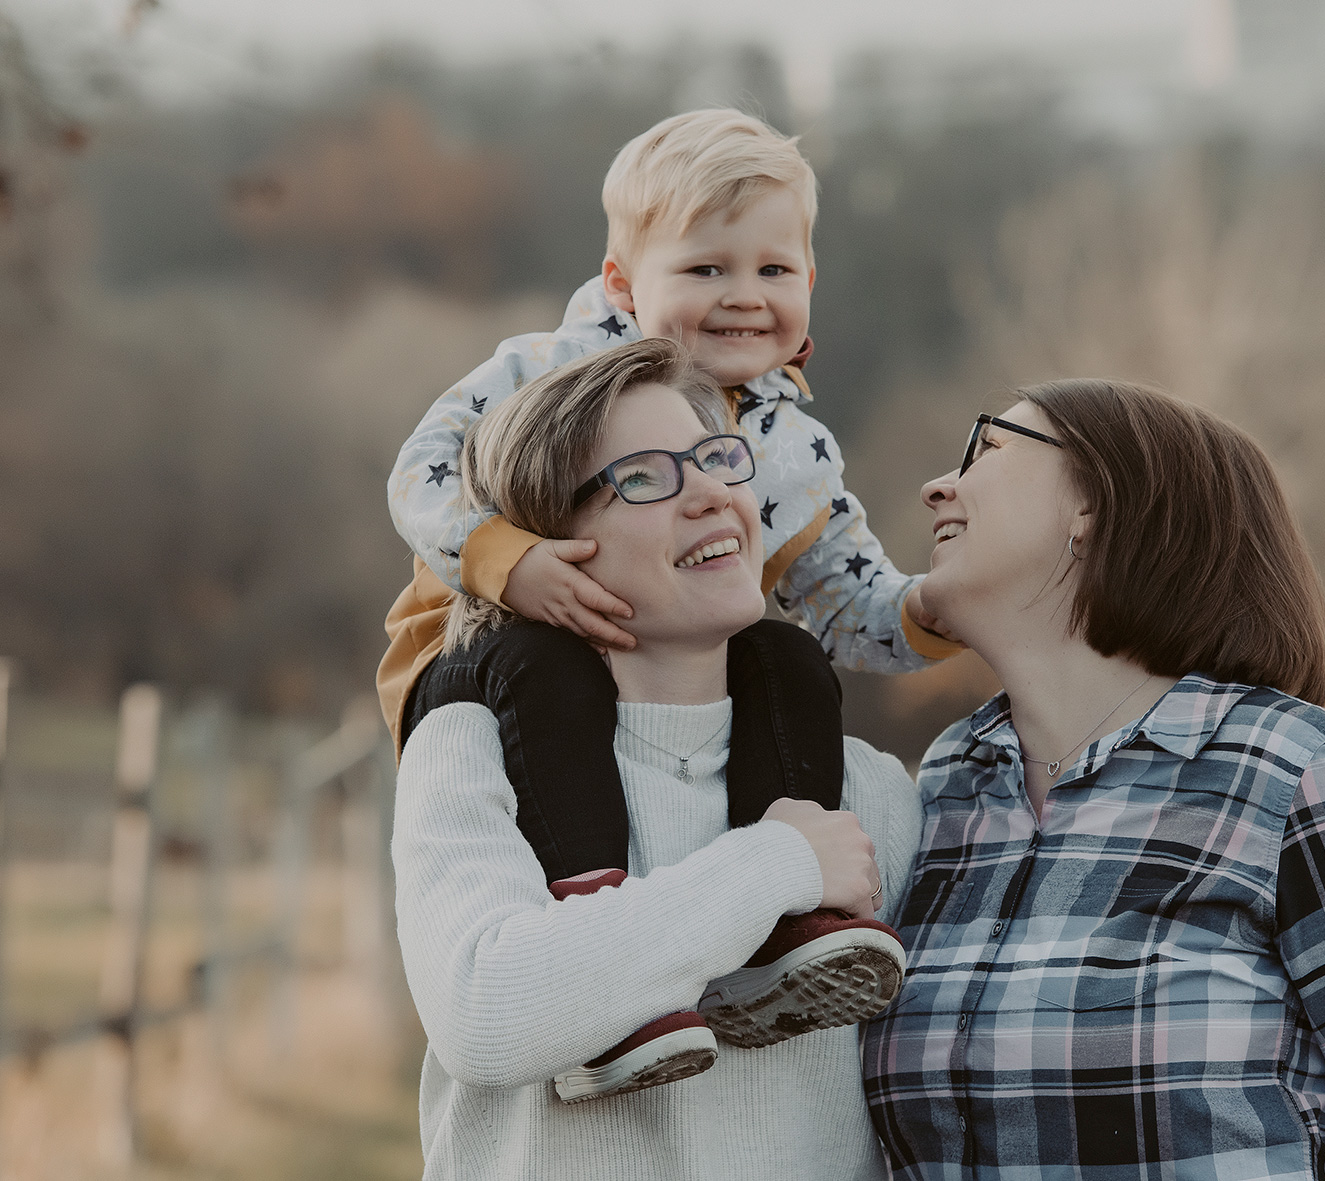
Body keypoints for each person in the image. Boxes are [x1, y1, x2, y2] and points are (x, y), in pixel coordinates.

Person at [383, 108, 958, 1096]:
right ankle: (601, 945)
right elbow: (420, 472)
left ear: (808, 284)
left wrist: (958, 605)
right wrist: (507, 560)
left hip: (675, 677)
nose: (743, 296)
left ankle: (790, 925)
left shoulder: (784, 442)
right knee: (546, 666)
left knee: (786, 659)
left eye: (773, 271)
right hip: (482, 644)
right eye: (705, 270)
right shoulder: (544, 376)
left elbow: (847, 599)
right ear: (620, 282)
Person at [863, 380, 1325, 1179]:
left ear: (1095, 506)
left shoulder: (1295, 772)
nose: (939, 485)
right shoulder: (939, 793)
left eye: (990, 446)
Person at [394, 337, 921, 1179]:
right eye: (644, 477)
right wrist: (776, 863)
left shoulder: (866, 790)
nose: (711, 492)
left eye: (717, 458)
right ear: (547, 546)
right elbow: (488, 1014)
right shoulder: (472, 748)